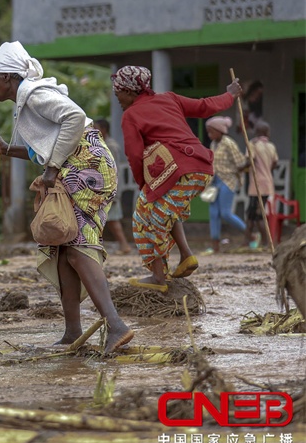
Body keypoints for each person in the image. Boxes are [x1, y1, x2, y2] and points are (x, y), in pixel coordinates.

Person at [0, 41, 133, 354]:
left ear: (10, 77)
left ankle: (116, 325)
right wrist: (6, 149)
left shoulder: (36, 94)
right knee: (63, 251)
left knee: (78, 250)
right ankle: (72, 333)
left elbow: (75, 119)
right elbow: (48, 146)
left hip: (87, 169)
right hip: (75, 169)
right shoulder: (26, 100)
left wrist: (52, 168)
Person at [112, 65, 242, 290]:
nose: (118, 99)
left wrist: (144, 185)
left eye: (118, 94)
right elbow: (204, 107)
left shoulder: (130, 115)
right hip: (200, 167)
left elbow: (134, 155)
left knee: (144, 216)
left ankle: (158, 277)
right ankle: (186, 255)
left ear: (130, 91)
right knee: (165, 211)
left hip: (177, 170)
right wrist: (229, 94)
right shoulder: (169, 98)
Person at [204, 115, 248, 254]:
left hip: (228, 181)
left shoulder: (229, 143)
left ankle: (250, 234)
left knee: (225, 213)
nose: (209, 135)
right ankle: (215, 245)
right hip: (215, 181)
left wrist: (237, 171)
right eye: (208, 132)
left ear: (220, 130)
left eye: (211, 132)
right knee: (214, 213)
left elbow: (241, 162)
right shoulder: (213, 145)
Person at [93, 119, 133, 255]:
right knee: (107, 219)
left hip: (110, 188)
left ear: (104, 129)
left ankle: (124, 245)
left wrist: (112, 190)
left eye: (96, 128)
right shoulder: (102, 144)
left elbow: (113, 169)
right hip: (104, 187)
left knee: (113, 219)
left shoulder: (111, 146)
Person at [243, 121, 278, 249]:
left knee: (257, 215)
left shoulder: (252, 144)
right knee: (252, 214)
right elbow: (275, 163)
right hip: (268, 183)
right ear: (267, 133)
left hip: (256, 185)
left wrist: (238, 168)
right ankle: (248, 241)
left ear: (256, 132)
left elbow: (249, 161)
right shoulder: (271, 146)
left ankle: (266, 242)